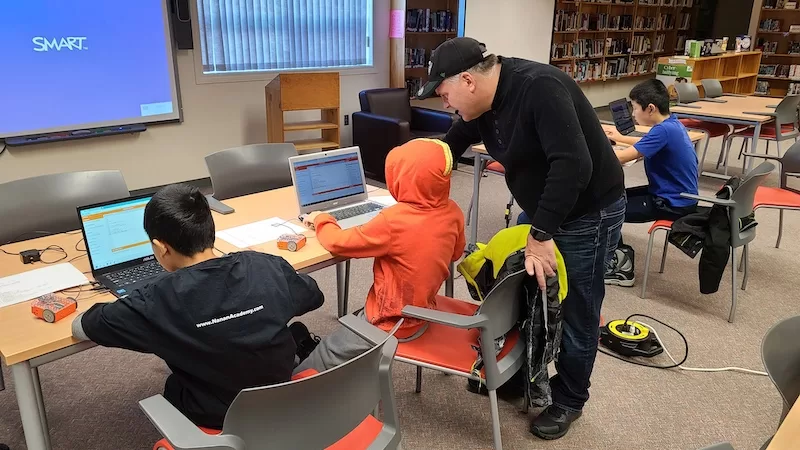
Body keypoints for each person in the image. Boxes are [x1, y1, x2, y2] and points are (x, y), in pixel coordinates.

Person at [416, 37, 626, 440]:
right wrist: (419, 182)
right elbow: (453, 143)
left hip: (587, 209)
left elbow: (573, 166)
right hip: (546, 206)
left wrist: (541, 234)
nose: (445, 104)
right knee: (526, 293)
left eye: (444, 94)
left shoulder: (539, 87)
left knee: (578, 307)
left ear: (467, 81)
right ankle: (522, 376)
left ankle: (569, 400)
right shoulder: (482, 101)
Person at [71, 184, 324, 429]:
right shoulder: (263, 266)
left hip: (216, 414)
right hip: (280, 392)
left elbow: (83, 326)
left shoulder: (155, 300)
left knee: (174, 385)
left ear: (161, 248)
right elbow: (314, 295)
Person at [295, 138, 466, 372]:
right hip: (425, 308)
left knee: (327, 351)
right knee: (352, 323)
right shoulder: (453, 211)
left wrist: (321, 219)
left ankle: (296, 384)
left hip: (391, 322)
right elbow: (455, 254)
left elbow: (338, 243)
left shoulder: (394, 220)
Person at [603, 79, 699, 287]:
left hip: (671, 203)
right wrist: (619, 137)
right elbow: (644, 143)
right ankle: (614, 257)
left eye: (635, 108)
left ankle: (621, 269)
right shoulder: (671, 124)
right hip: (679, 196)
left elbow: (619, 158)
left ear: (651, 108)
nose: (633, 114)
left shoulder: (663, 131)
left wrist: (592, 145)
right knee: (614, 198)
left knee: (609, 209)